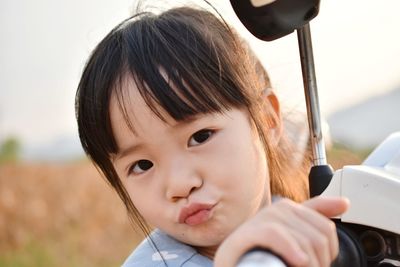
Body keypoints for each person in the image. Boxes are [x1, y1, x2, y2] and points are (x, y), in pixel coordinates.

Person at [75, 5, 349, 267]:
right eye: (142, 165)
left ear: (267, 120)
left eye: (200, 136)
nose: (180, 186)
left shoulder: (308, 218)